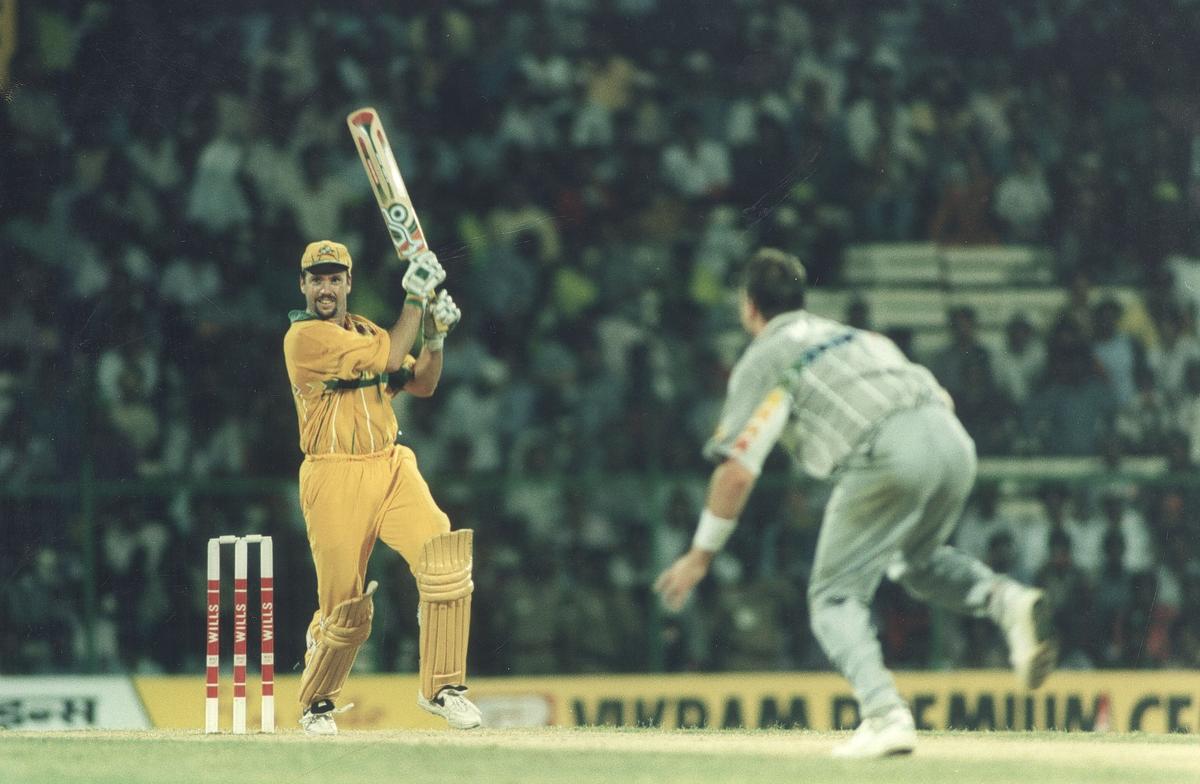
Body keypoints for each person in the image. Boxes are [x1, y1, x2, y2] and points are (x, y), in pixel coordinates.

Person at [654, 248, 1056, 759]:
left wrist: (701, 554)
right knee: (918, 561)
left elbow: (736, 469)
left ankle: (884, 714)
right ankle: (1007, 602)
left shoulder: (765, 356)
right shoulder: (858, 336)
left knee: (833, 597)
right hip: (952, 440)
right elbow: (942, 399)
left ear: (750, 306)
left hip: (887, 450)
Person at [283, 240, 481, 735]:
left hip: (390, 466)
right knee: (345, 607)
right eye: (317, 279)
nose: (325, 288)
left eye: (334, 278)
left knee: (443, 556)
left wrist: (434, 340)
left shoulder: (367, 330)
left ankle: (443, 688)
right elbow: (393, 353)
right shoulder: (305, 339)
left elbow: (422, 383)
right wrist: (415, 299)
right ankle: (317, 703)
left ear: (348, 283)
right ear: (303, 286)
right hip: (333, 475)